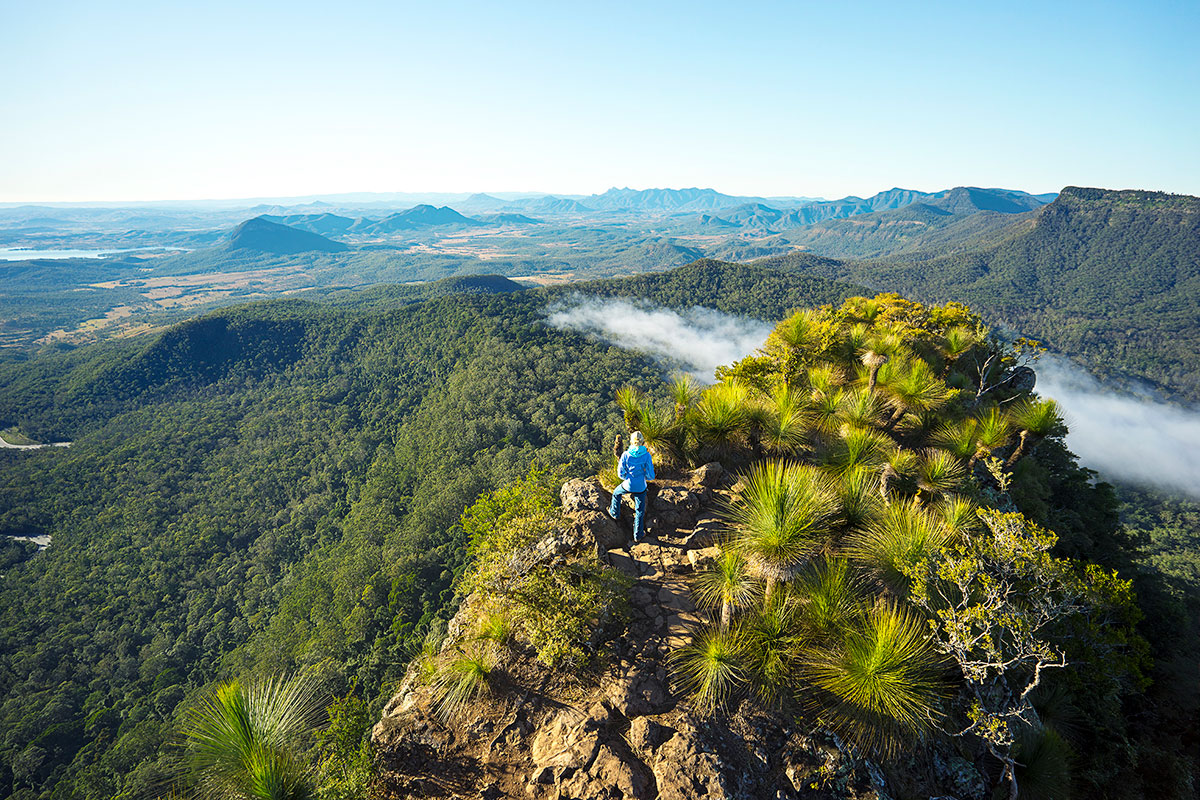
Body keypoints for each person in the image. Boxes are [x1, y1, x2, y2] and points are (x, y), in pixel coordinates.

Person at [609, 431, 655, 543]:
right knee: (639, 511)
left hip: (628, 485)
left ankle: (615, 513)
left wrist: (628, 478)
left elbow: (620, 473)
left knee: (616, 493)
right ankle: (637, 535)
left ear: (631, 441)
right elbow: (651, 475)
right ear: (642, 441)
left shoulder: (625, 454)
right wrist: (643, 478)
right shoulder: (646, 455)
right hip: (641, 486)